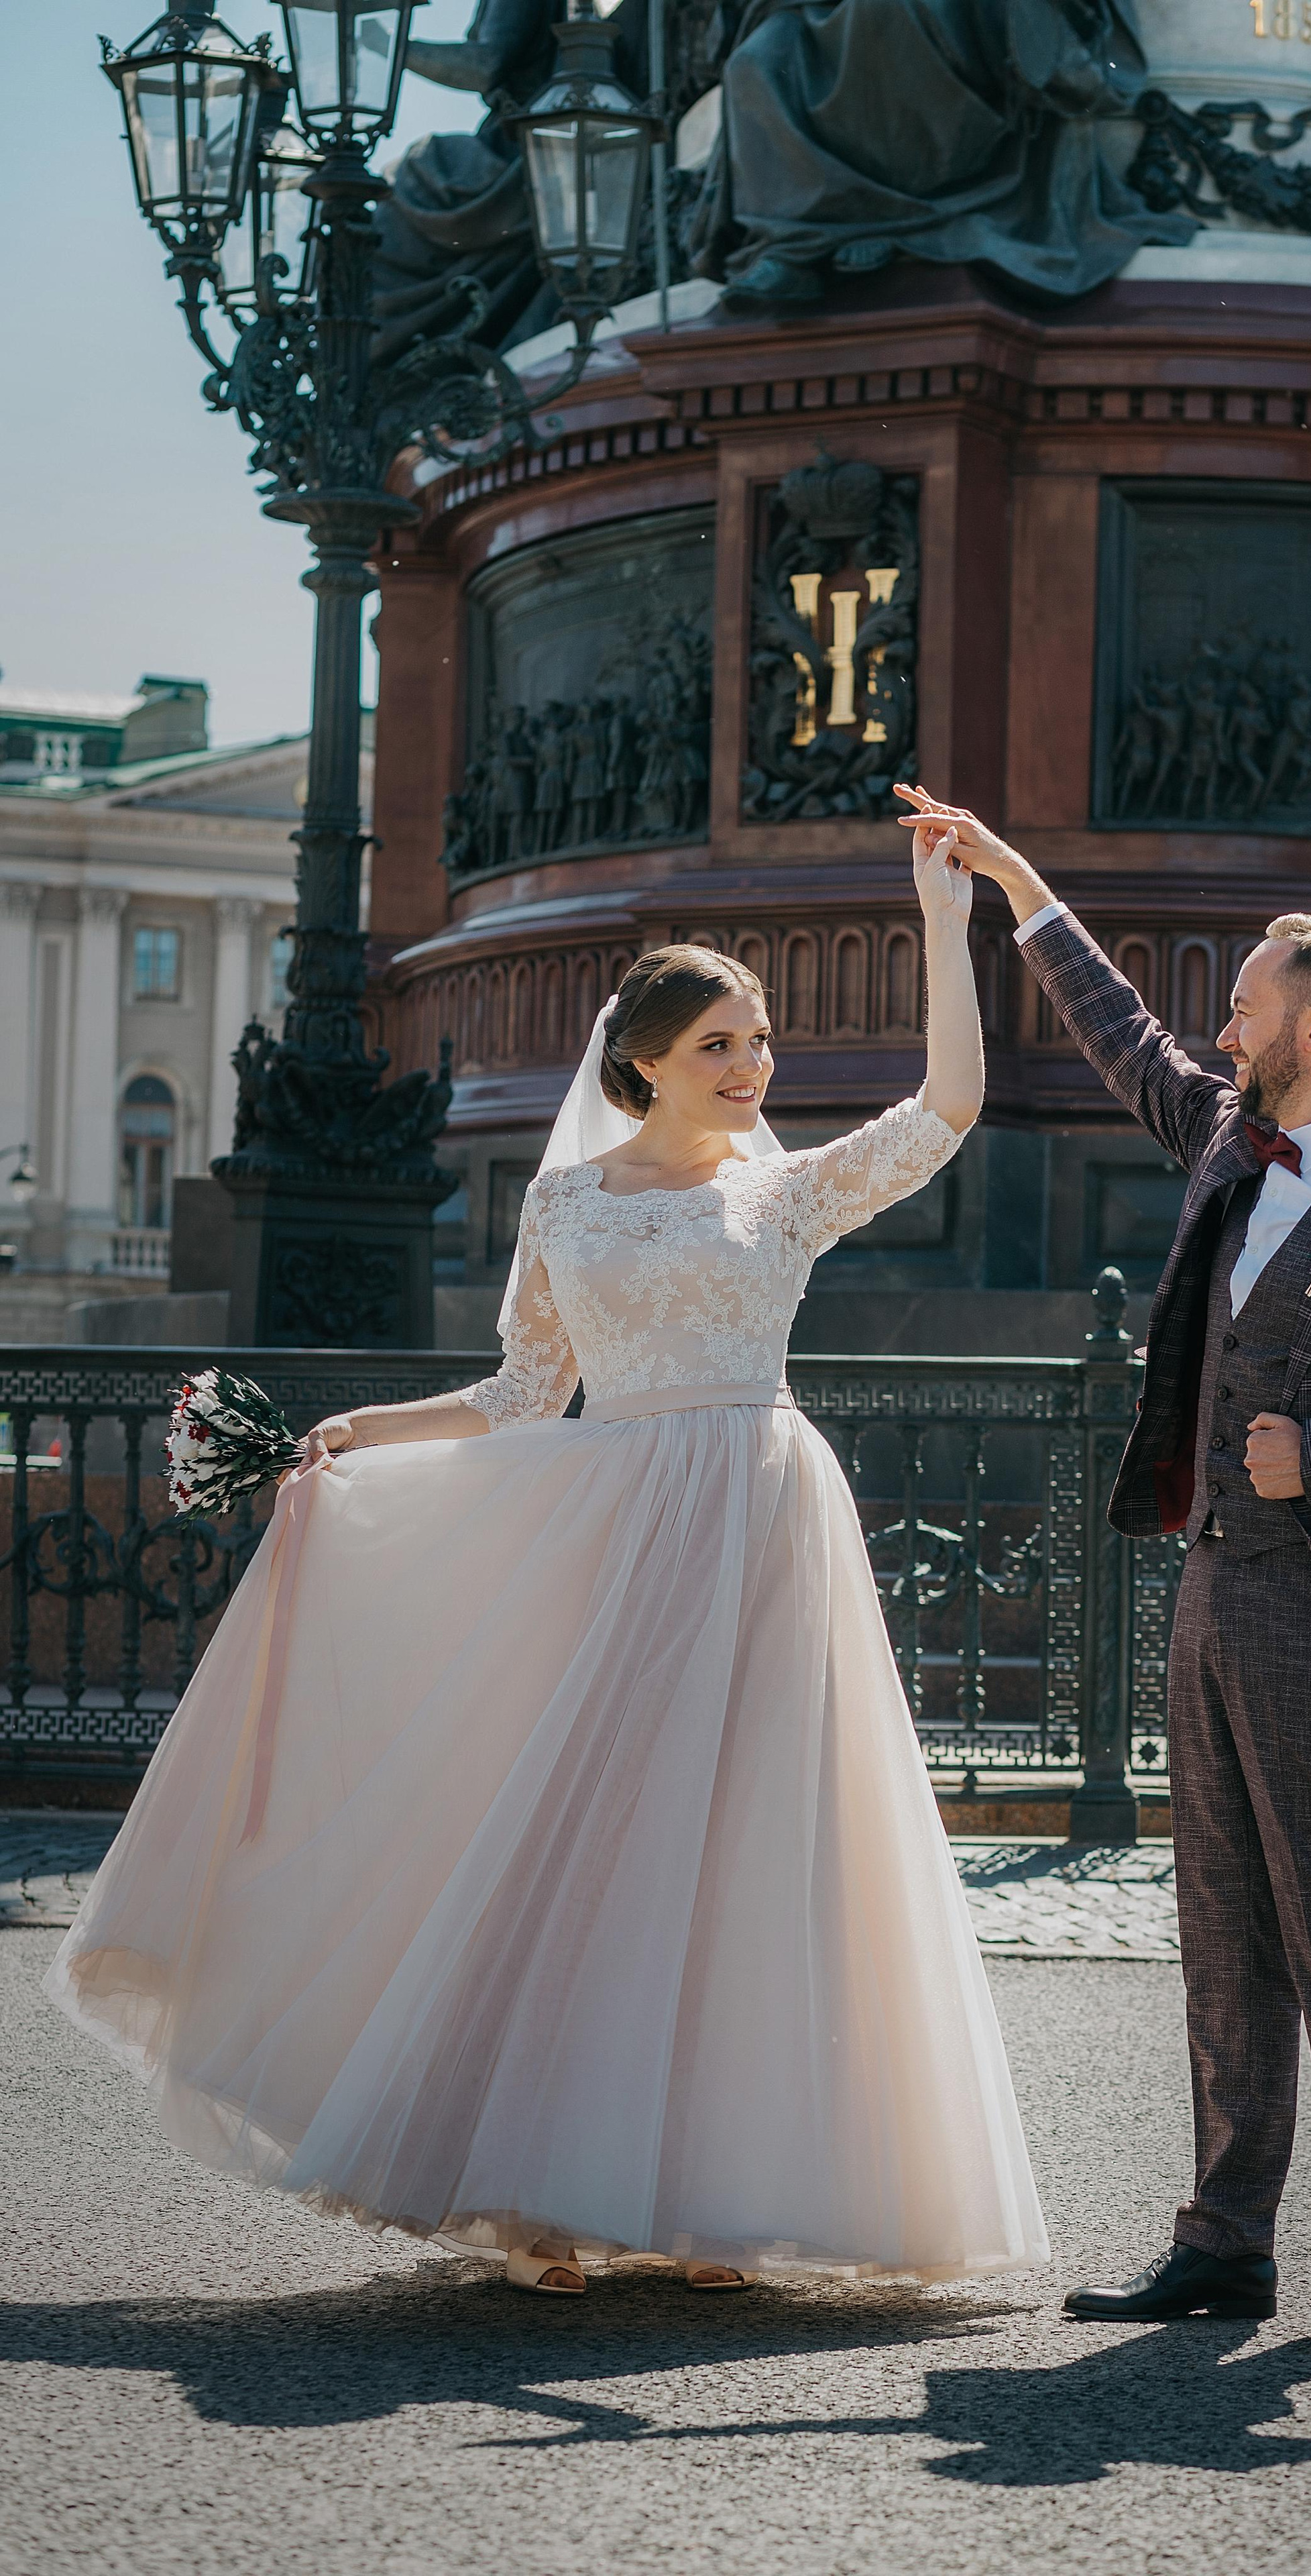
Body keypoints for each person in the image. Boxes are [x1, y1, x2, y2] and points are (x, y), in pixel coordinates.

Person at [49, 826, 1049, 2298]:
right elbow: (519, 1391)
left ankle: (715, 2194)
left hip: (767, 1516)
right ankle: (530, 2192)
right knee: (591, 1832)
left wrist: (939, 914)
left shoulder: (786, 1193)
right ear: (641, 1064)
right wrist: (363, 1433)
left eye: (760, 1041)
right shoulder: (565, 1205)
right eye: (721, 1044)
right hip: (629, 1527)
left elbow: (948, 1104)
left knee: (756, 1846)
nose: (753, 1067)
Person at [896, 785, 1311, 2350]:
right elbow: (1118, 1029)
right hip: (1206, 1588)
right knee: (1215, 1930)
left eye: (1242, 1003)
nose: (1219, 1021)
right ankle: (1223, 2241)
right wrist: (1007, 879)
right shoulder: (1222, 1140)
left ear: (1310, 1029)